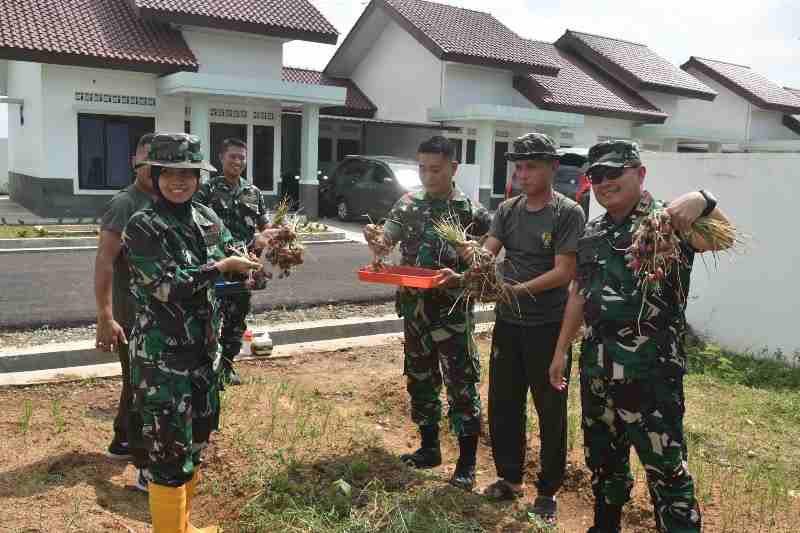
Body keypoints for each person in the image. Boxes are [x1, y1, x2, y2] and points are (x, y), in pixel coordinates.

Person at [549, 140, 729, 533]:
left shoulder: (668, 221)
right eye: (597, 175)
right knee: (603, 461)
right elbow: (579, 292)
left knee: (665, 468)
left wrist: (705, 198)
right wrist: (561, 350)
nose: (605, 182)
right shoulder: (593, 230)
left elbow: (723, 239)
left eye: (615, 172)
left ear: (640, 173)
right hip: (597, 366)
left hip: (650, 371)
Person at [123, 132, 263, 532]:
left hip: (205, 353)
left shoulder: (206, 217)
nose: (179, 181)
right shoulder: (144, 225)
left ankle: (182, 527)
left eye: (188, 173)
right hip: (163, 361)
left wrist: (252, 268)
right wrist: (220, 269)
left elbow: (232, 256)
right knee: (168, 457)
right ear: (155, 174)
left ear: (199, 177)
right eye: (170, 173)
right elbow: (166, 286)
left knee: (197, 444)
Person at [363, 136, 491, 491]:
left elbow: (488, 261)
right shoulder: (408, 204)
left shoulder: (471, 212)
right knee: (420, 379)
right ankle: (429, 448)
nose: (427, 176)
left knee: (460, 385)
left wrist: (472, 259)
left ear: (453, 168)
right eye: (421, 168)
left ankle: (466, 464)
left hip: (451, 313)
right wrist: (376, 241)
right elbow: (386, 242)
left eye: (435, 169)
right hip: (415, 311)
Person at [477, 133, 585, 524]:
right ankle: (510, 479)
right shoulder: (508, 209)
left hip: (549, 327)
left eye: (531, 166)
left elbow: (565, 271)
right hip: (508, 322)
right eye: (518, 167)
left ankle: (548, 491)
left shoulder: (567, 213)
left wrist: (515, 289)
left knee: (550, 409)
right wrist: (475, 263)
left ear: (552, 168)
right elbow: (490, 247)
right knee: (504, 404)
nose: (523, 174)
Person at [94, 133, 156, 488]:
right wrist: (105, 316)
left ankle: (121, 441)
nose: (152, 165)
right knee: (143, 387)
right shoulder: (125, 203)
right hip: (132, 316)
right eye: (146, 158)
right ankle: (146, 466)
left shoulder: (165, 200)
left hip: (158, 314)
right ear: (135, 160)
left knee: (136, 382)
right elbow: (104, 260)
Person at [194, 138, 269, 386]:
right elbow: (196, 224)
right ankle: (208, 368)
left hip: (245, 267)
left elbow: (264, 225)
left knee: (237, 319)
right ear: (221, 158)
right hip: (216, 266)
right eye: (232, 156)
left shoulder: (253, 193)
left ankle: (226, 366)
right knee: (209, 316)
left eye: (242, 157)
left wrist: (272, 235)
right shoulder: (206, 190)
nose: (237, 161)